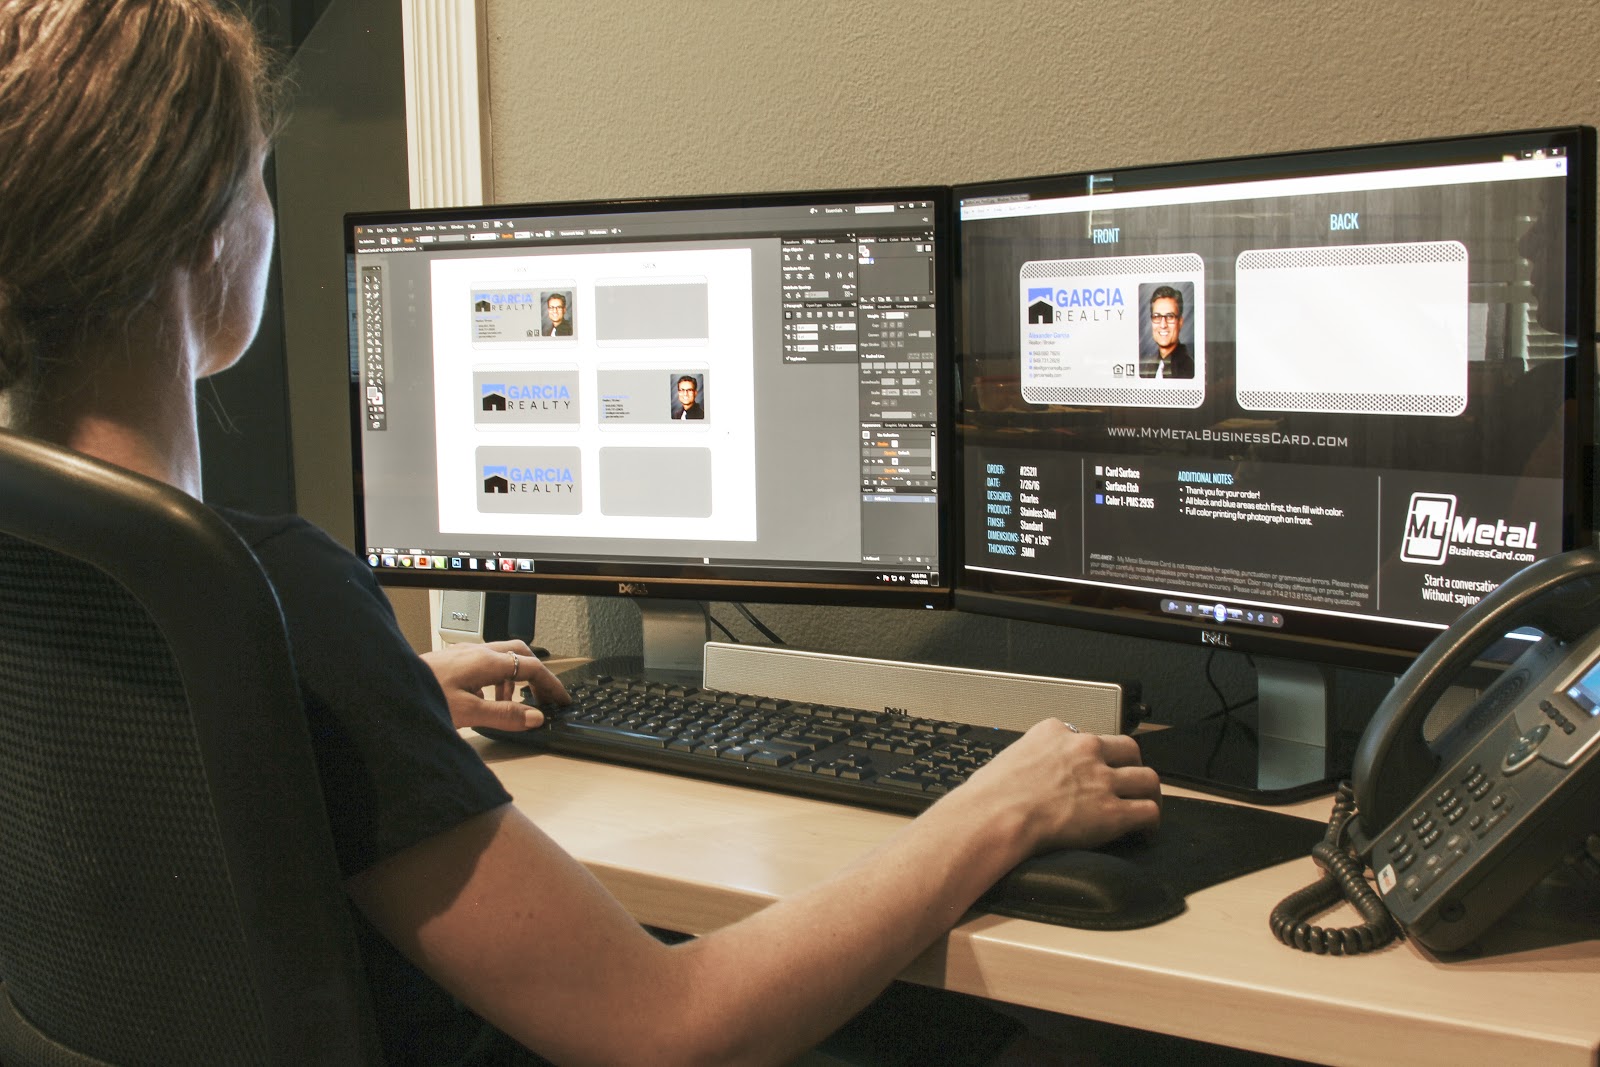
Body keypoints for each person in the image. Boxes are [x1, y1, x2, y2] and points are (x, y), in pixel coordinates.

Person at [0, 2, 1161, 1063]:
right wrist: (994, 808)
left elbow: (128, 761)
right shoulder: (275, 590)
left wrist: (366, 707)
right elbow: (665, 1026)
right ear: (206, 236)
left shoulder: (99, 575)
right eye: (262, 176)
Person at [1139, 285, 1194, 379]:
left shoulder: (1189, 370)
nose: (1163, 325)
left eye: (1170, 316)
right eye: (1157, 316)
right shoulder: (1147, 367)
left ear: (1180, 322)